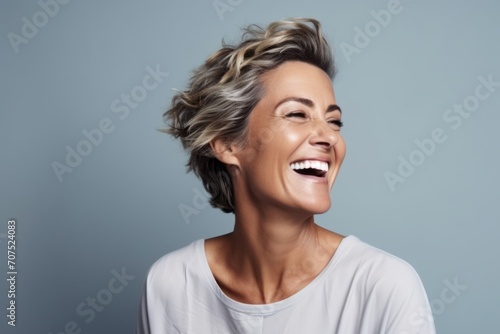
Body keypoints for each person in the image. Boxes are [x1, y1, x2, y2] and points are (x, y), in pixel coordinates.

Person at [136, 18, 435, 333]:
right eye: (297, 114)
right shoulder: (170, 285)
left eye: (334, 121)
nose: (329, 137)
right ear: (227, 143)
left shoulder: (384, 287)